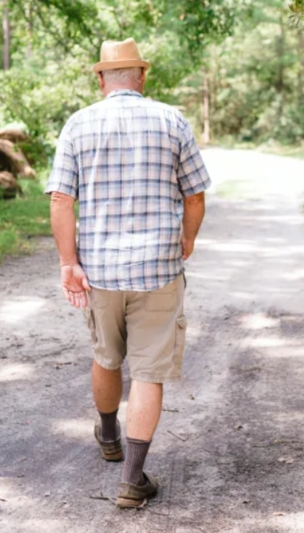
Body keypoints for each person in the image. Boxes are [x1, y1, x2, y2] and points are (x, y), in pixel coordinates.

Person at [45, 38, 210, 508]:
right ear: (141, 76)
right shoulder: (171, 119)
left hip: (99, 270)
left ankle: (110, 435)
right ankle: (133, 481)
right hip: (158, 267)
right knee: (149, 372)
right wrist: (188, 238)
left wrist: (68, 262)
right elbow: (195, 194)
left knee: (106, 355)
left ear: (101, 79)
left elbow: (61, 199)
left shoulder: (78, 124)